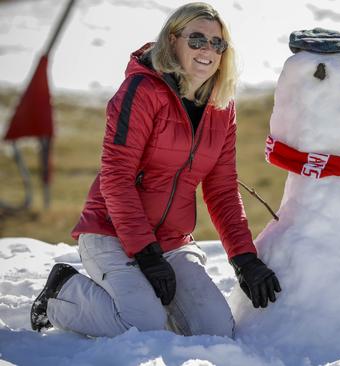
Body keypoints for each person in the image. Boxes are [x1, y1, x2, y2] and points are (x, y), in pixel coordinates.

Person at [30, 2, 281, 338]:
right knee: (143, 325)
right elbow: (116, 177)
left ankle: (146, 296)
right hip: (112, 233)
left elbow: (221, 189)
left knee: (215, 330)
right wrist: (146, 254)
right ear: (173, 40)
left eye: (217, 43)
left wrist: (243, 258)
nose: (208, 50)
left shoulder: (222, 107)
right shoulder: (142, 91)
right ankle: (62, 294)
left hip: (172, 241)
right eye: (197, 40)